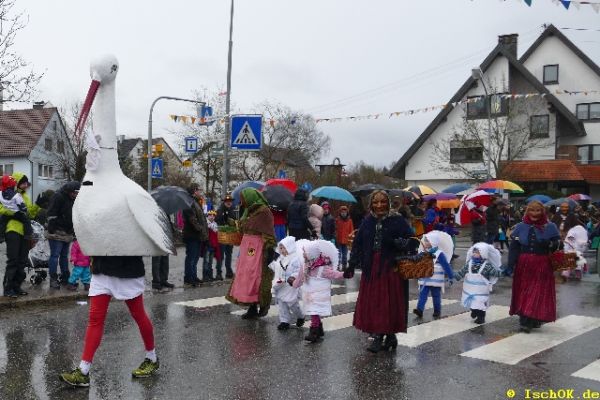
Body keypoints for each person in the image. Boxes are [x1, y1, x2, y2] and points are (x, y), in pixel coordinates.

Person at [59, 256, 160, 387]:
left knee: (139, 315)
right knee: (95, 320)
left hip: (128, 271)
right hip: (102, 270)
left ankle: (152, 358)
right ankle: (83, 371)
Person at [346, 190, 413, 353]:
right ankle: (389, 337)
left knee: (387, 303)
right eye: (375, 202)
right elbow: (358, 244)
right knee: (374, 302)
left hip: (391, 268)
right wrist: (351, 265)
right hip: (371, 268)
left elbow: (412, 241)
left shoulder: (397, 220)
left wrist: (399, 243)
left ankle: (379, 336)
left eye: (382, 201)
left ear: (388, 203)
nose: (379, 205)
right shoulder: (367, 221)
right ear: (371, 204)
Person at [508, 200, 560, 333]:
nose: (535, 213)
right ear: (527, 211)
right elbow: (514, 247)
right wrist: (510, 264)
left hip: (542, 262)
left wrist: (550, 244)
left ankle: (534, 317)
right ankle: (525, 319)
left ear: (542, 212)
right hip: (524, 263)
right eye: (532, 210)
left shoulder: (550, 226)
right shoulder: (520, 226)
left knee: (537, 291)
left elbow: (558, 244)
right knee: (524, 290)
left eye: (538, 210)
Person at [226, 188, 276, 318]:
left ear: (250, 197)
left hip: (257, 247)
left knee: (255, 275)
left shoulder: (264, 211)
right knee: (247, 276)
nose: (242, 202)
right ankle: (252, 307)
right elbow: (244, 228)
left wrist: (269, 250)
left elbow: (268, 232)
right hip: (247, 247)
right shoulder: (248, 211)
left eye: (244, 199)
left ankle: (263, 304)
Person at [291, 239, 345, 342]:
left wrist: (344, 274)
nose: (303, 254)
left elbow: (334, 274)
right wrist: (293, 283)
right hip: (309, 294)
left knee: (314, 310)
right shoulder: (305, 265)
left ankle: (314, 330)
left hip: (319, 294)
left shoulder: (323, 267)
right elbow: (300, 279)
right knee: (313, 311)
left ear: (312, 254)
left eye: (305, 252)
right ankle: (319, 328)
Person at [0, 173, 39, 298]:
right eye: (23, 183)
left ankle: (16, 286)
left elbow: (29, 214)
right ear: (17, 183)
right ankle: (8, 288)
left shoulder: (25, 196)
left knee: (22, 261)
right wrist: (13, 213)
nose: (26, 185)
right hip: (12, 229)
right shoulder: (6, 194)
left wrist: (37, 205)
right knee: (13, 260)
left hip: (25, 232)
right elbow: (1, 208)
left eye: (27, 183)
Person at [453, 243, 503, 324]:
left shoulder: (487, 265)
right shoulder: (469, 263)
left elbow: (494, 272)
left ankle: (481, 317)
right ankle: (474, 311)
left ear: (483, 254)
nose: (474, 254)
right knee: (472, 302)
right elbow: (462, 271)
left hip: (481, 290)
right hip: (470, 289)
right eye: (474, 252)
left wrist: (501, 272)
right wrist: (456, 276)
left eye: (477, 252)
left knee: (480, 303)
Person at [46, 181, 81, 289]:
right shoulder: (58, 197)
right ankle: (53, 279)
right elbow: (51, 213)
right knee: (55, 255)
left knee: (64, 256)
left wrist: (73, 230)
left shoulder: (73, 199)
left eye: (77, 193)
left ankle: (65, 278)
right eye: (75, 192)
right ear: (70, 191)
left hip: (67, 232)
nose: (76, 195)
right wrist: (52, 228)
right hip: (57, 231)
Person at [413, 231, 454, 320]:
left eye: (427, 241)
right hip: (425, 278)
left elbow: (445, 265)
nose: (425, 242)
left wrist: (451, 276)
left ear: (433, 242)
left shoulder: (439, 254)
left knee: (436, 295)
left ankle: (437, 310)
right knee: (422, 294)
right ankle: (419, 310)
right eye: (425, 240)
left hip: (436, 279)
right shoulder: (423, 252)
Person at [268, 236, 304, 330]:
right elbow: (275, 267)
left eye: (284, 248)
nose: (282, 250)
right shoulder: (280, 258)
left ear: (290, 247)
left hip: (290, 284)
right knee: (281, 303)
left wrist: (293, 277)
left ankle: (300, 316)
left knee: (292, 303)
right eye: (280, 248)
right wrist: (270, 261)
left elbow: (298, 270)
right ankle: (284, 321)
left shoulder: (295, 259)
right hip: (280, 284)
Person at [182, 184, 209, 286]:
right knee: (191, 257)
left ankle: (193, 275)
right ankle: (188, 277)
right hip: (192, 235)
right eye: (199, 190)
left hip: (197, 235)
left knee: (196, 257)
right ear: (194, 191)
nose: (200, 192)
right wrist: (200, 229)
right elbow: (192, 219)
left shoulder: (196, 201)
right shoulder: (189, 202)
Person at [0, 175, 33, 240]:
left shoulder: (1, 193)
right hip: (17, 213)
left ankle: (1, 236)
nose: (26, 186)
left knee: (2, 222)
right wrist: (24, 210)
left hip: (7, 214)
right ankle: (28, 235)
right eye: (24, 184)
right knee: (26, 220)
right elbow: (21, 203)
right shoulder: (16, 194)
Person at [215, 194, 236, 279]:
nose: (229, 203)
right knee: (221, 255)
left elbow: (234, 221)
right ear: (224, 202)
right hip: (222, 235)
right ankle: (218, 273)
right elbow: (217, 221)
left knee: (229, 254)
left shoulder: (232, 210)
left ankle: (229, 272)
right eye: (227, 201)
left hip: (230, 235)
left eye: (230, 201)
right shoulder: (220, 210)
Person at [202, 210, 222, 281]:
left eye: (213, 215)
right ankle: (205, 276)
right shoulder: (206, 224)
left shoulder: (215, 224)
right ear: (207, 216)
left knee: (210, 261)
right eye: (210, 215)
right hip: (207, 245)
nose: (212, 217)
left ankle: (210, 275)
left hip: (213, 246)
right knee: (206, 261)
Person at [335, 205, 354, 270]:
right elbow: (335, 229)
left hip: (346, 240)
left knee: (345, 255)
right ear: (340, 213)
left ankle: (344, 266)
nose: (343, 213)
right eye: (342, 212)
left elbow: (351, 231)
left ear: (347, 213)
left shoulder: (350, 221)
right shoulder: (337, 220)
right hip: (339, 240)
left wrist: (350, 240)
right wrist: (335, 236)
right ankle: (337, 266)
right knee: (338, 254)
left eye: (345, 212)